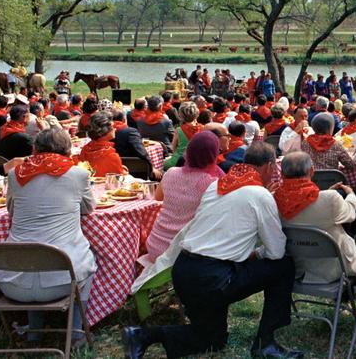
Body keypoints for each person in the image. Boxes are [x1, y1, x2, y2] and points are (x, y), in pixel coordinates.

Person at [122, 142, 302, 359]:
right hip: (213, 277)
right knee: (283, 266)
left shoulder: (217, 185)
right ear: (270, 166)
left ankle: (142, 336)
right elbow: (276, 251)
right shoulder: (260, 194)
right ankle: (266, 343)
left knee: (212, 340)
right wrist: (256, 254)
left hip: (184, 270)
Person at [0, 128, 96, 345]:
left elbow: (11, 209)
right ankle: (76, 333)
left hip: (12, 280)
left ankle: (35, 332)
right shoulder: (78, 174)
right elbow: (89, 208)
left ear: (35, 148)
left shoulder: (15, 174)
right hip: (63, 279)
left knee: (33, 254)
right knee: (90, 257)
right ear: (68, 149)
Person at [275, 152, 356, 283]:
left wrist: (327, 193)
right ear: (312, 171)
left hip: (299, 267)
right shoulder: (330, 198)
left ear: (282, 174)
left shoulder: (273, 199)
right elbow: (350, 215)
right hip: (336, 267)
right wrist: (351, 195)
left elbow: (307, 208)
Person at [145, 132, 224, 263]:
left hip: (154, 245)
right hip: (181, 253)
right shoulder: (212, 183)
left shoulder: (171, 173)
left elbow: (158, 198)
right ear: (214, 155)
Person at [113, 110, 161, 180]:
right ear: (124, 120)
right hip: (136, 172)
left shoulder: (106, 132)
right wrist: (152, 167)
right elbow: (141, 152)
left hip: (114, 169)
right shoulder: (130, 132)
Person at [76, 111, 125, 177]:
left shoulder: (85, 149)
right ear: (105, 130)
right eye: (113, 126)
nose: (115, 129)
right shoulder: (111, 156)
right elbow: (118, 181)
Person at [163, 102, 200, 170]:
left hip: (177, 161)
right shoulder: (203, 128)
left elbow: (173, 148)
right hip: (197, 161)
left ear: (181, 116)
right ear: (197, 114)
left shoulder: (179, 130)